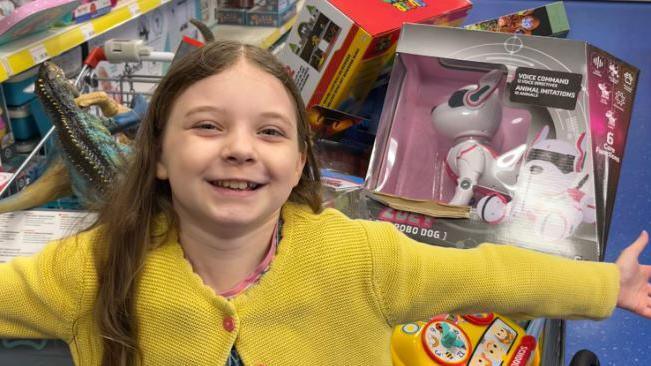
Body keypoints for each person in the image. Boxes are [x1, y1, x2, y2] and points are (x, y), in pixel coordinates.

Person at [0, 40, 649, 366]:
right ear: (159, 156)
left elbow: (485, 273)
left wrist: (601, 285)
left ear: (300, 163)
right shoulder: (92, 267)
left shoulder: (357, 255)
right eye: (205, 126)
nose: (239, 148)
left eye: (270, 131)